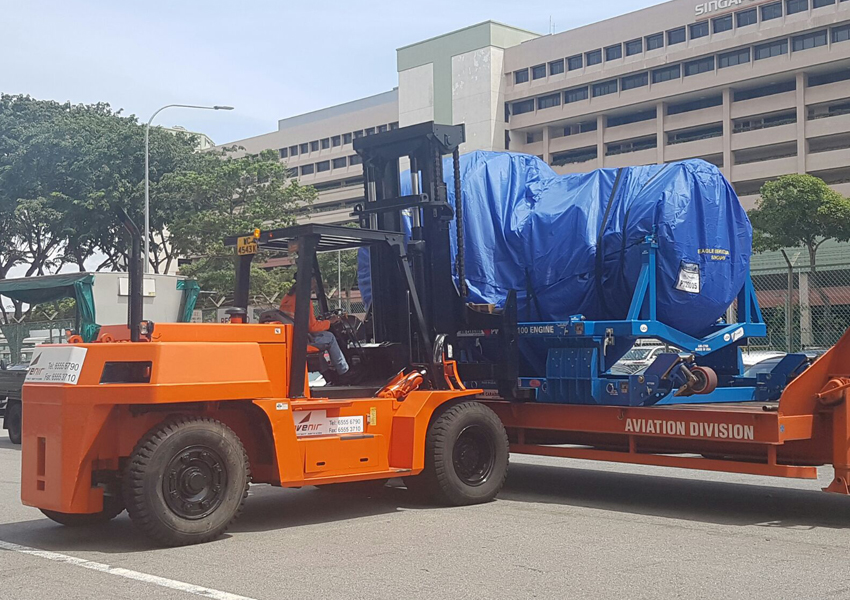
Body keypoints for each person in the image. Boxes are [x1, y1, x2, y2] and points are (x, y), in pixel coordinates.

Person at [280, 273, 349, 375]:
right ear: (309, 281)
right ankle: (344, 371)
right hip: (303, 340)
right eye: (314, 280)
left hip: (293, 335)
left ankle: (330, 373)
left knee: (325, 336)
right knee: (330, 337)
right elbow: (312, 327)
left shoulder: (287, 298)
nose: (315, 283)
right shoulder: (303, 300)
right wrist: (329, 322)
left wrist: (319, 321)